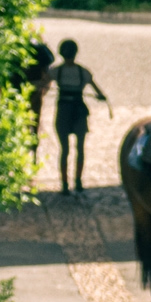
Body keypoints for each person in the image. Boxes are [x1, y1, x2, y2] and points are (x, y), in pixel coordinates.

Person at [51, 39, 108, 193]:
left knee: (64, 149)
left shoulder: (57, 71)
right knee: (80, 148)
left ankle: (64, 184)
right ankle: (78, 181)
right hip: (79, 111)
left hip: (63, 111)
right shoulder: (84, 72)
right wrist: (101, 97)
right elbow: (99, 92)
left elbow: (42, 85)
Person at [25, 39, 54, 155]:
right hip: (37, 88)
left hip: (26, 87)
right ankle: (34, 154)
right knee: (36, 120)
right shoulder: (41, 51)